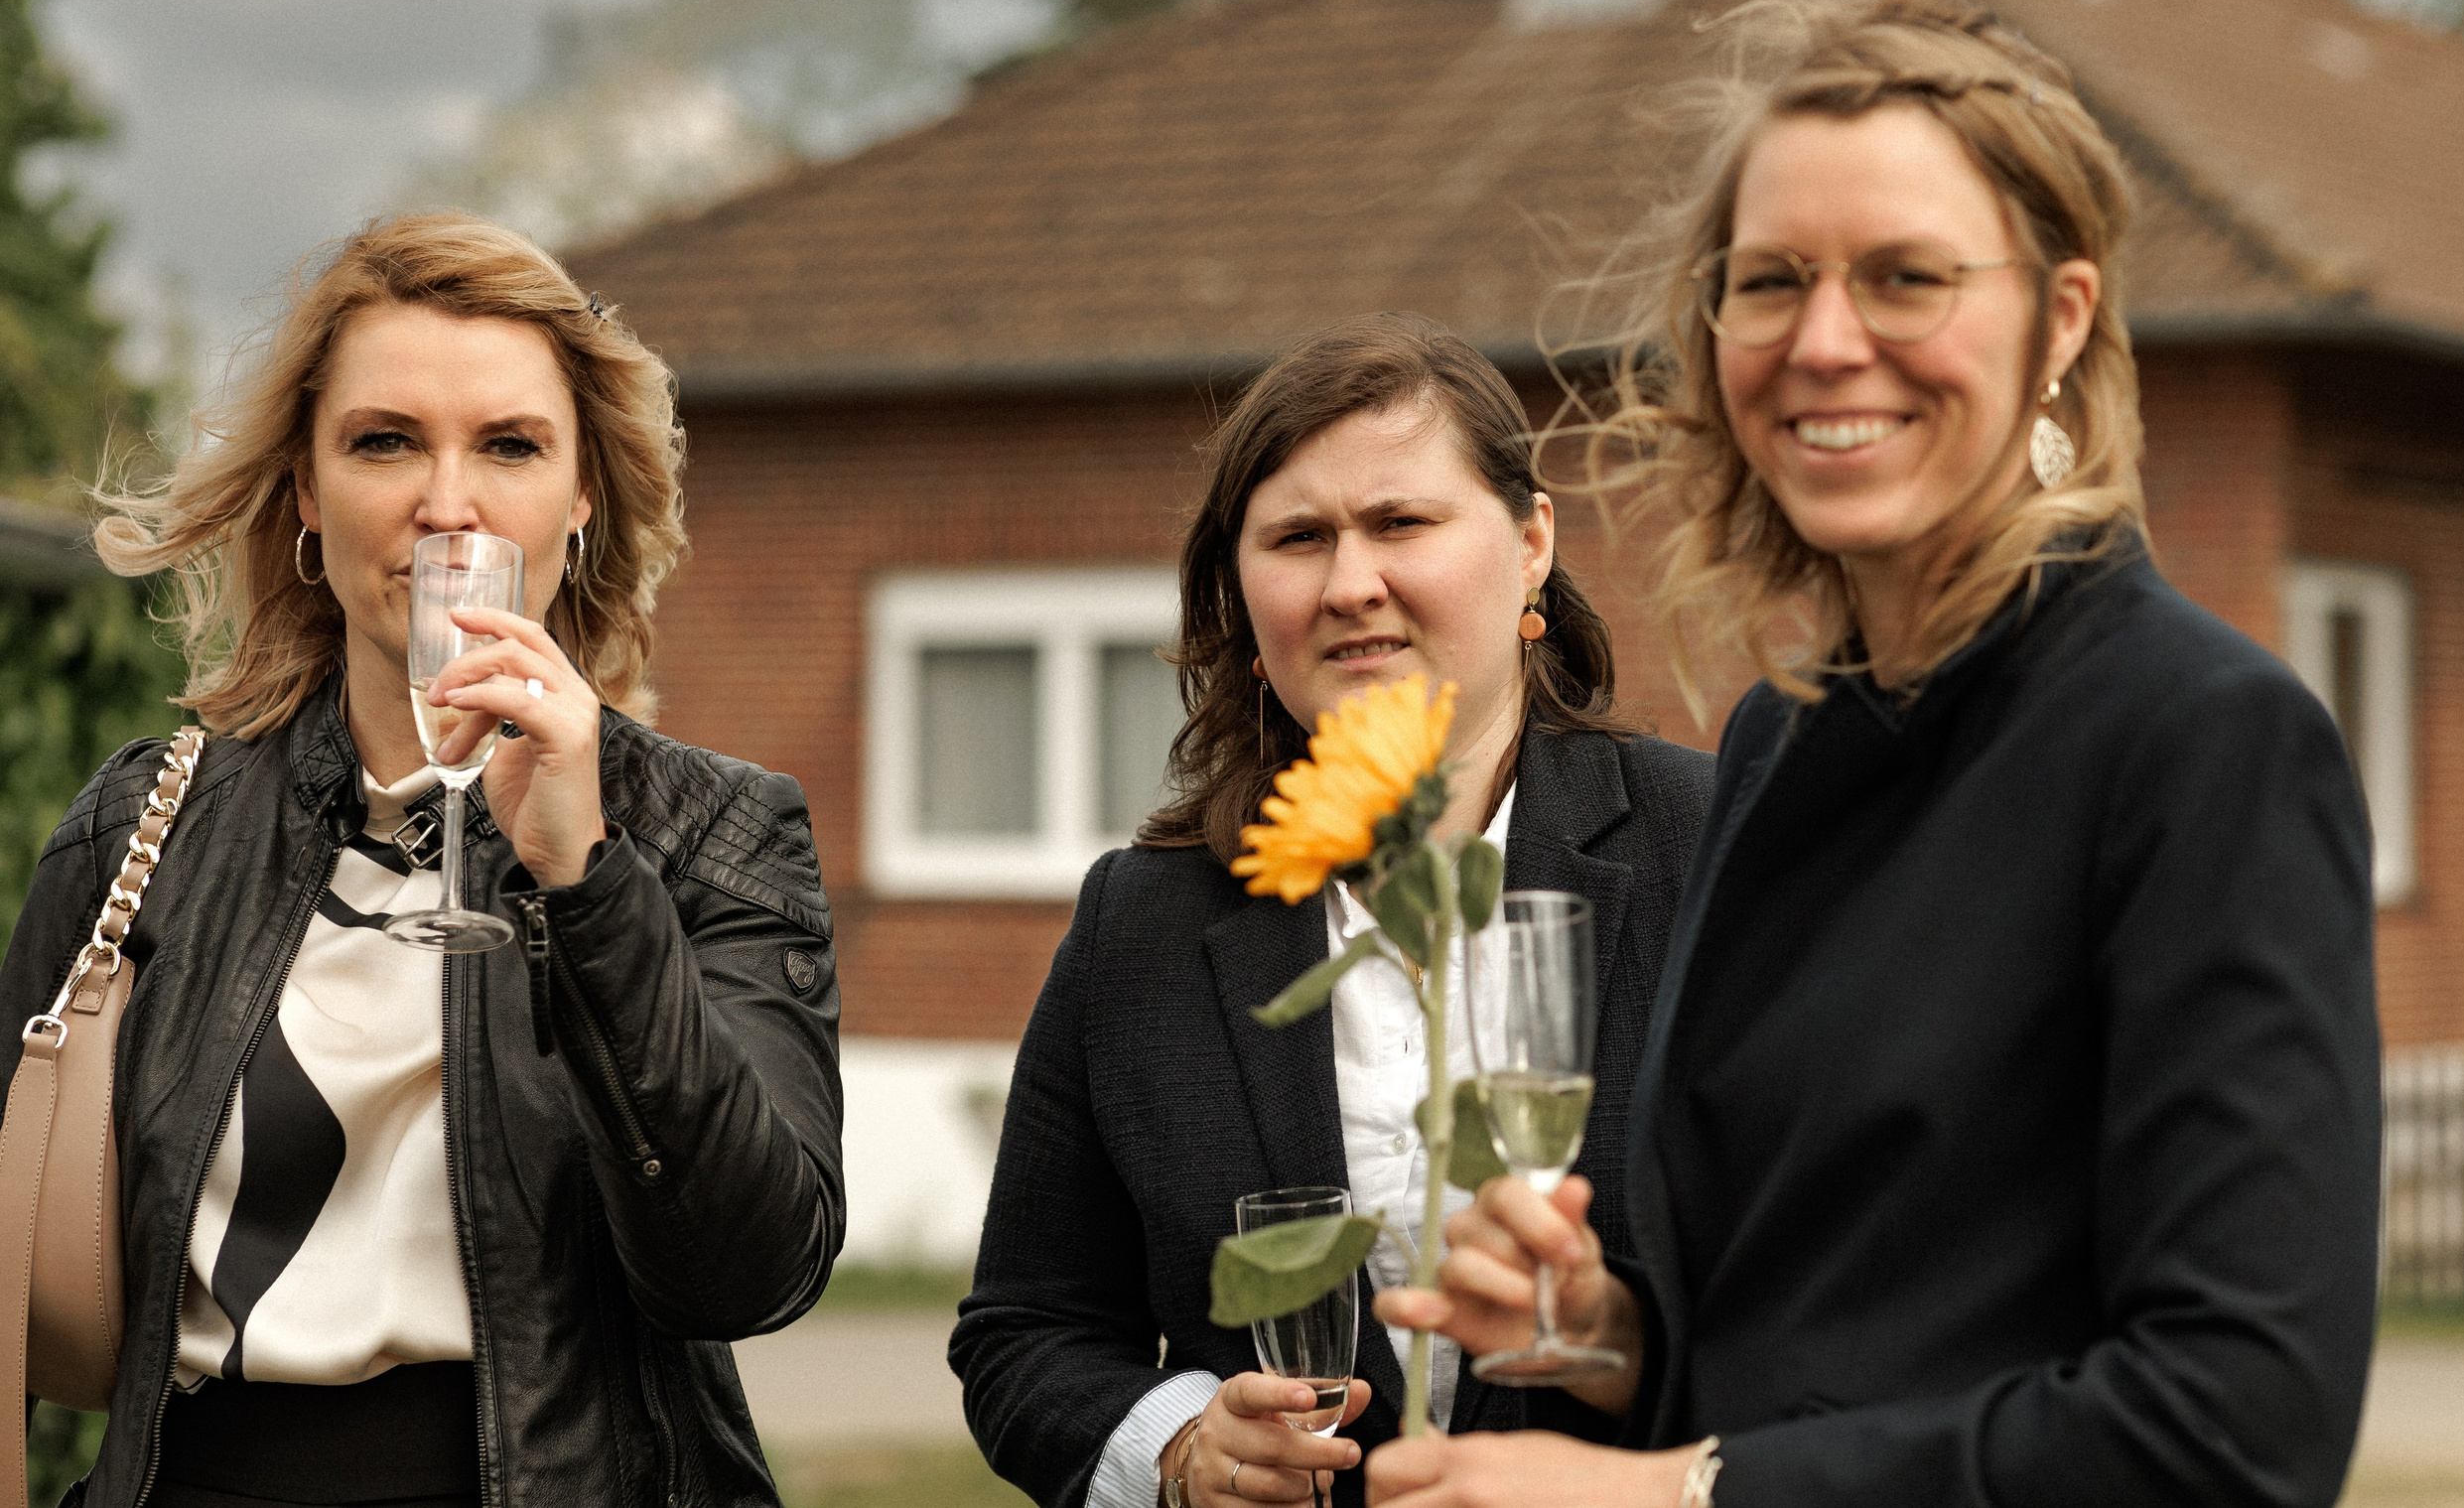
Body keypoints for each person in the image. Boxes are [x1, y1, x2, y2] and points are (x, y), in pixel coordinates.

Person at [1367, 0, 2382, 1508]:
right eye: (1770, 280)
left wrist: (1676, 1494)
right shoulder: (1783, 742)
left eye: (1906, 276)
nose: (1824, 341)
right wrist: (1616, 1338)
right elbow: (1829, 1334)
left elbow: (2237, 1424)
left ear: (2060, 317)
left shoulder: (2206, 744)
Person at [0, 213, 846, 1508]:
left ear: (580, 501)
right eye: (383, 439)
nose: (445, 503)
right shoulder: (146, 823)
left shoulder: (713, 833)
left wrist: (591, 884)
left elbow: (747, 1269)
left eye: (508, 445)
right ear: (303, 489)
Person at [950, 314, 1715, 1508]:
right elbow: (1024, 1334)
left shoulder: (1715, 855)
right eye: (1299, 537)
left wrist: (1619, 1346)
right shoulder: (1142, 923)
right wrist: (1177, 1447)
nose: (1352, 583)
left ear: (1529, 545)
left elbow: (1847, 1323)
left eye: (1402, 522)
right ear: (1243, 601)